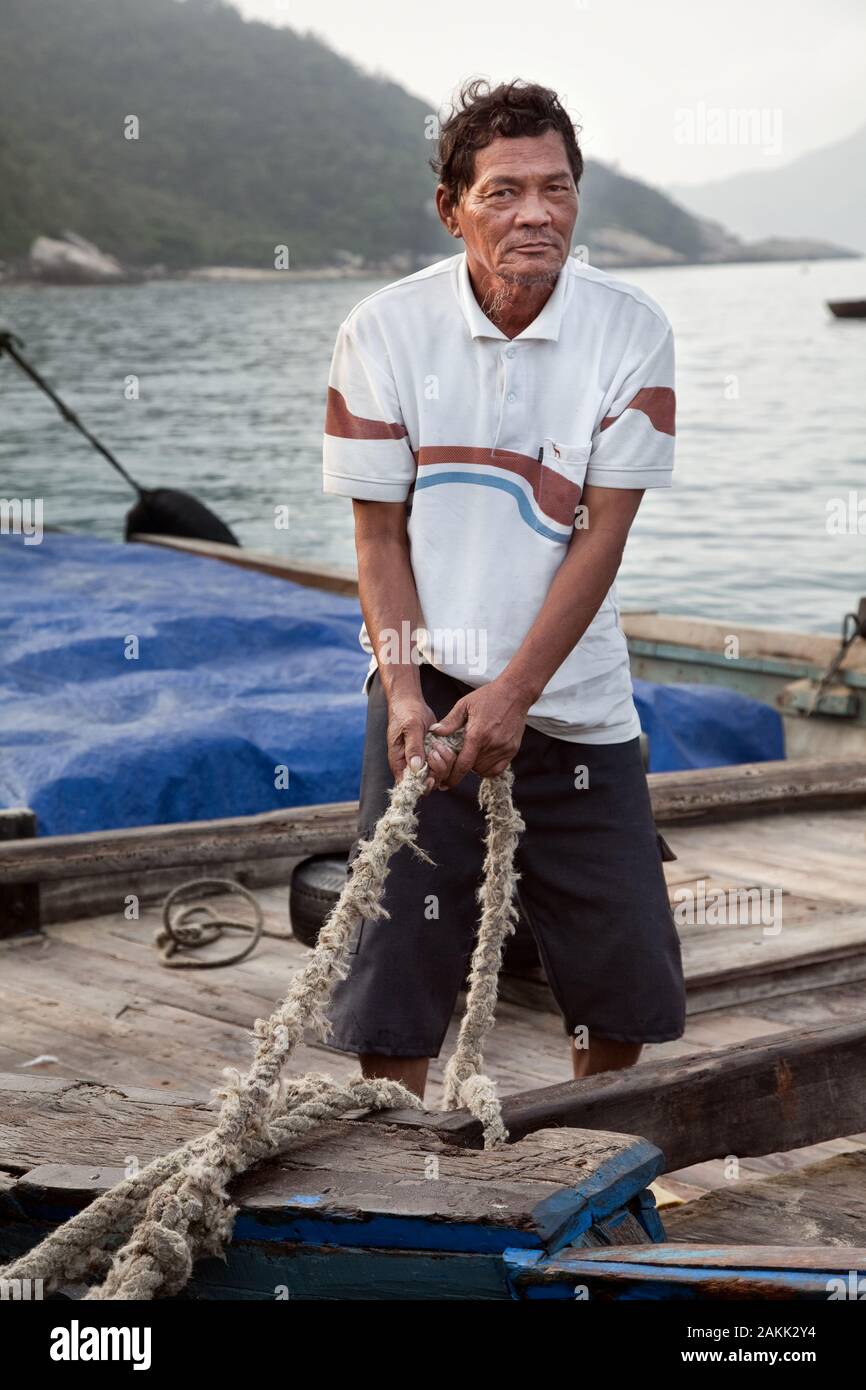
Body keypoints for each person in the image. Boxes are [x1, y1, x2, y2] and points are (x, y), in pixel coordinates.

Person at [321, 78, 686, 1099]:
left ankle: (593, 1155)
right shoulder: (385, 330)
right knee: (394, 963)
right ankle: (393, 1163)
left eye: (556, 189)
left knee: (618, 967)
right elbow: (377, 532)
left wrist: (518, 691)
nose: (535, 213)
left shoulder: (627, 330)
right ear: (452, 209)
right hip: (426, 681)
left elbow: (601, 536)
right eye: (503, 192)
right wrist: (403, 695)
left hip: (572, 693)